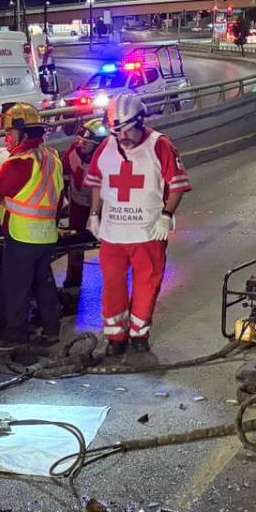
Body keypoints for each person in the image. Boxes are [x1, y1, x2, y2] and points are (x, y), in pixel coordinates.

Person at [84, 93, 191, 355]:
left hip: (148, 233)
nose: (123, 137)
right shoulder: (106, 147)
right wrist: (94, 214)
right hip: (113, 234)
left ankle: (139, 334)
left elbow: (177, 185)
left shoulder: (160, 145)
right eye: (117, 132)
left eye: (128, 130)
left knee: (147, 285)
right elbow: (98, 183)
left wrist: (166, 215)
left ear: (141, 121)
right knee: (113, 286)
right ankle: (116, 337)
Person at [0, 103, 64, 351]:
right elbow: (59, 197)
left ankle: (16, 335)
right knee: (43, 283)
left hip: (23, 236)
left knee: (17, 288)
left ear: (24, 134)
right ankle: (51, 330)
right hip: (47, 235)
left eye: (10, 133)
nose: (7, 138)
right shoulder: (51, 157)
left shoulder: (18, 163)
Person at [62, 118, 109, 291]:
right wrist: (64, 201)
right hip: (78, 202)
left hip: (104, 204)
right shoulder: (73, 152)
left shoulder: (109, 158)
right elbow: (64, 175)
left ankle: (114, 276)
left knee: (110, 241)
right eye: (81, 140)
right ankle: (73, 280)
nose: (82, 144)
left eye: (87, 142)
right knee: (75, 241)